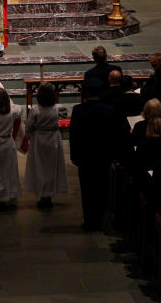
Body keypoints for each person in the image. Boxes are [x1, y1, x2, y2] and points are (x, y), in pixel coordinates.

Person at [70, 78, 128, 231]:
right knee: (102, 188)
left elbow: (74, 135)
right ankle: (101, 219)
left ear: (86, 93)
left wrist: (74, 156)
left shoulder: (78, 110)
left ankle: (89, 221)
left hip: (85, 156)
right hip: (104, 156)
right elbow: (114, 134)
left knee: (87, 190)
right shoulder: (109, 110)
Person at [24, 82, 68, 208]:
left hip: (39, 140)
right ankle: (49, 195)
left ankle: (43, 195)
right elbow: (64, 114)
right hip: (53, 139)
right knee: (52, 167)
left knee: (40, 168)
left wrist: (34, 138)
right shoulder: (57, 108)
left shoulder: (35, 109)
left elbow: (28, 127)